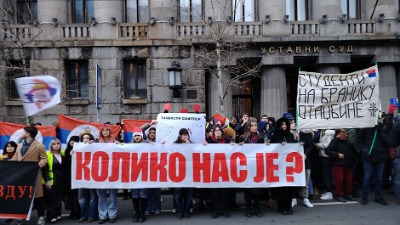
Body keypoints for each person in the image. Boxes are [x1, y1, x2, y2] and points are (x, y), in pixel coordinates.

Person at [11, 126, 47, 225]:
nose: (21, 134)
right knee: (22, 197)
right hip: (21, 176)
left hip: (34, 176)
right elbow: (15, 158)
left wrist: (42, 162)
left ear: (28, 134)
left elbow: (44, 158)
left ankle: (41, 217)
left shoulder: (39, 146)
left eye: (23, 132)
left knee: (38, 197)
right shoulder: (19, 145)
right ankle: (22, 217)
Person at [238, 118, 266, 218]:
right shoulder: (242, 138)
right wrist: (239, 146)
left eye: (255, 125)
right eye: (252, 125)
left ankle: (257, 207)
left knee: (257, 191)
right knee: (248, 190)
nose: (255, 127)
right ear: (248, 127)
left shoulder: (260, 138)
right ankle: (248, 208)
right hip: (247, 167)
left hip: (257, 167)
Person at [205, 125, 233, 219]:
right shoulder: (209, 142)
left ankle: (224, 210)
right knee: (215, 192)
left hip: (225, 170)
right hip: (214, 171)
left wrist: (236, 146)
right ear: (213, 133)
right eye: (215, 131)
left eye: (219, 130)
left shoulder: (228, 141)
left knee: (224, 192)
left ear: (222, 132)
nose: (217, 132)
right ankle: (216, 210)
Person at [358, 123, 390, 205]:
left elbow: (387, 142)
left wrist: (381, 132)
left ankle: (378, 197)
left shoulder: (382, 128)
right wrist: (364, 151)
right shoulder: (365, 129)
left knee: (379, 178)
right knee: (367, 177)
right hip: (368, 157)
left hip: (380, 156)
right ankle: (364, 197)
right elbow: (360, 142)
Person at [270, 117, 296, 215]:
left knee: (288, 187)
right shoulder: (275, 135)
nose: (284, 126)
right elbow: (272, 148)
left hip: (288, 165)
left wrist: (299, 144)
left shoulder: (290, 135)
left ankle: (288, 207)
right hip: (278, 165)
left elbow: (294, 147)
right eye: (282, 124)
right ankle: (281, 207)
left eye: (285, 124)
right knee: (281, 187)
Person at [325, 129, 358, 203]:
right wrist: (337, 155)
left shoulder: (347, 141)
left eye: (345, 132)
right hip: (338, 164)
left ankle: (348, 193)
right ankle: (339, 195)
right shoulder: (335, 141)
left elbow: (353, 150)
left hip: (347, 163)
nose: (345, 133)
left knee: (349, 179)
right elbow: (327, 151)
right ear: (338, 133)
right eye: (343, 132)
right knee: (339, 180)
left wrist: (354, 158)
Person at [97, 124, 118, 224]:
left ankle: (112, 214)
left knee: (113, 195)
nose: (105, 132)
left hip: (112, 172)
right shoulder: (96, 143)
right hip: (99, 173)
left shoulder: (115, 142)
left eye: (107, 130)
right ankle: (102, 215)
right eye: (103, 130)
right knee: (101, 196)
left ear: (110, 132)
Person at [77, 132, 98, 223]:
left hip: (92, 177)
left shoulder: (94, 147)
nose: (85, 140)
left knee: (92, 197)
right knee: (82, 198)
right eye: (84, 138)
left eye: (87, 138)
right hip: (81, 177)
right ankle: (83, 215)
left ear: (90, 139)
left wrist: (93, 146)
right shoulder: (77, 148)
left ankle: (92, 215)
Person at [44, 138, 66, 223]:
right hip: (52, 178)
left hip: (61, 178)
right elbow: (45, 169)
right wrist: (47, 180)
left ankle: (58, 214)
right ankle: (51, 216)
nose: (56, 145)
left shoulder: (62, 154)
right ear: (51, 146)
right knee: (51, 198)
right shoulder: (48, 154)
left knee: (59, 198)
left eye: (58, 143)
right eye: (54, 144)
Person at [173, 128, 194, 220]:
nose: (185, 137)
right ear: (180, 136)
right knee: (178, 194)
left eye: (186, 135)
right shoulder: (174, 145)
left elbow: (195, 156)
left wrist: (189, 147)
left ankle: (187, 211)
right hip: (178, 174)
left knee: (189, 194)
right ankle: (179, 211)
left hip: (189, 174)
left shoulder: (192, 144)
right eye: (183, 135)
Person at [131, 127, 148, 223]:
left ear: (141, 136)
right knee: (135, 194)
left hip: (144, 173)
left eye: (138, 135)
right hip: (134, 173)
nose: (137, 137)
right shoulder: (129, 146)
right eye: (135, 136)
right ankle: (136, 213)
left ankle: (142, 213)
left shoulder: (147, 145)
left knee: (143, 193)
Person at [145, 127, 162, 216]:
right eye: (150, 133)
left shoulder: (159, 143)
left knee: (156, 192)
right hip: (147, 170)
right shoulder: (145, 142)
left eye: (154, 133)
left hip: (157, 170)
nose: (152, 134)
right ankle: (148, 208)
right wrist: (150, 124)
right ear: (148, 134)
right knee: (148, 192)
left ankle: (157, 208)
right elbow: (141, 130)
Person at [64, 136, 81, 220]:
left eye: (75, 140)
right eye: (71, 140)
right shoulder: (67, 151)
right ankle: (72, 211)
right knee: (70, 195)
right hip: (68, 176)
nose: (72, 142)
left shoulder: (80, 151)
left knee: (76, 195)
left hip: (77, 175)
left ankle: (77, 211)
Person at [315, 130, 335, 200]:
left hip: (327, 157)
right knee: (326, 174)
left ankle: (329, 192)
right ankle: (328, 191)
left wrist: (317, 144)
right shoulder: (323, 133)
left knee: (327, 174)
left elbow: (327, 146)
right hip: (324, 156)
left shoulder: (329, 134)